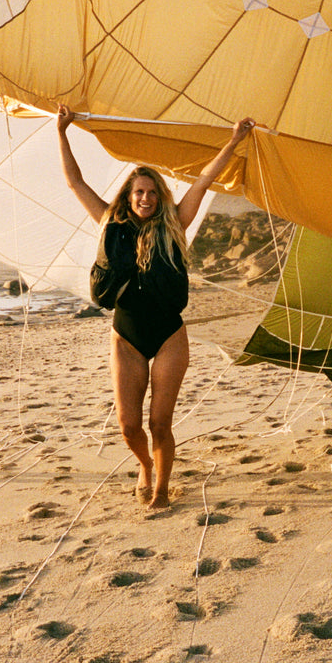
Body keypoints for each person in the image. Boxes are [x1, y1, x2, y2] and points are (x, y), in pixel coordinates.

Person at [56, 106, 255, 509]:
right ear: (129, 198)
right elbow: (75, 182)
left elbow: (204, 180)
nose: (145, 198)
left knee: (159, 422)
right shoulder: (109, 223)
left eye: (151, 192)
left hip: (168, 335)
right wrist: (62, 132)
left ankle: (161, 489)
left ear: (158, 196)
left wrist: (233, 141)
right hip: (126, 336)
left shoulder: (175, 223)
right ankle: (144, 464)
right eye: (138, 192)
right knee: (129, 426)